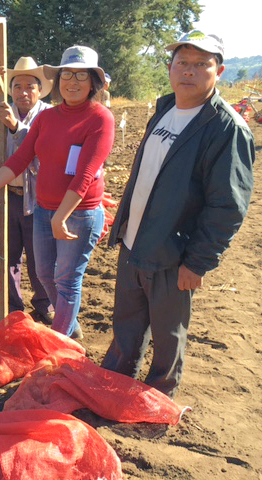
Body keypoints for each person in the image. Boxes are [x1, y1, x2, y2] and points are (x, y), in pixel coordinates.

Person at [101, 30, 255, 398]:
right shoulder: (165, 110)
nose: (189, 71)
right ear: (171, 67)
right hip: (135, 241)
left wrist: (198, 262)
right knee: (126, 325)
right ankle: (115, 385)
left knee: (168, 336)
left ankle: (158, 398)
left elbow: (228, 206)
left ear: (218, 71)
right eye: (182, 62)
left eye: (202, 64)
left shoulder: (225, 128)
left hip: (173, 254)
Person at [0, 46, 114, 338]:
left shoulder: (100, 118)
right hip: (43, 209)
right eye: (67, 74)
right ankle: (70, 327)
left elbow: (85, 174)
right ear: (59, 79)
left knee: (66, 278)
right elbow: (20, 158)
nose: (73, 81)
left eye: (81, 76)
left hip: (79, 213)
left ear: (93, 83)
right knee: (45, 274)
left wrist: (61, 216)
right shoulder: (47, 119)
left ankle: (59, 343)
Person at [0, 56, 54, 323]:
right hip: (7, 197)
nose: (23, 92)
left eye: (29, 87)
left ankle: (45, 306)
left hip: (37, 200)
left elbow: (40, 146)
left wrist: (15, 127)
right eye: (17, 86)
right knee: (7, 256)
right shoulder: (3, 109)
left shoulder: (49, 114)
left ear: (39, 90)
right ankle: (12, 307)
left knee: (39, 259)